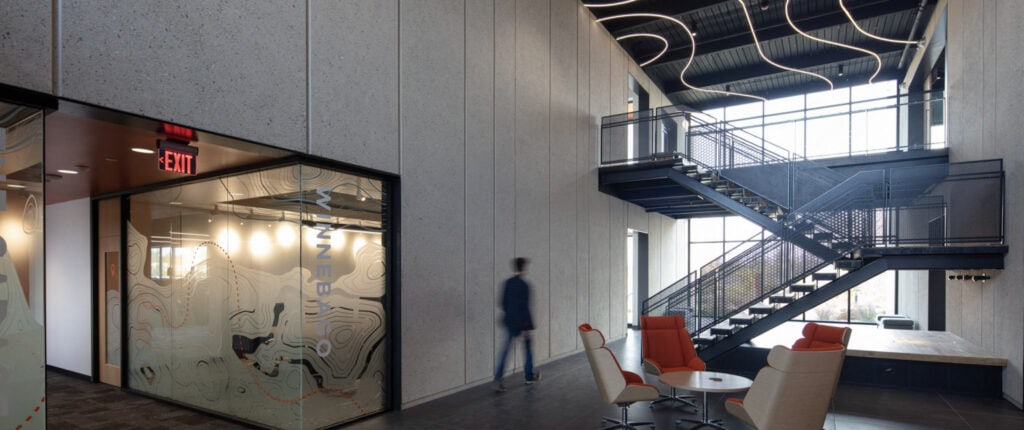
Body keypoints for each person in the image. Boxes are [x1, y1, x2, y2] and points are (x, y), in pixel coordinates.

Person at [493, 257, 540, 392]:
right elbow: (524, 307)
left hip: (509, 323)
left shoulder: (507, 283)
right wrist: (526, 327)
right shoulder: (525, 285)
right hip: (521, 324)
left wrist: (510, 316)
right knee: (528, 350)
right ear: (524, 268)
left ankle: (498, 379)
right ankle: (529, 376)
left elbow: (502, 303)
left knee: (505, 351)